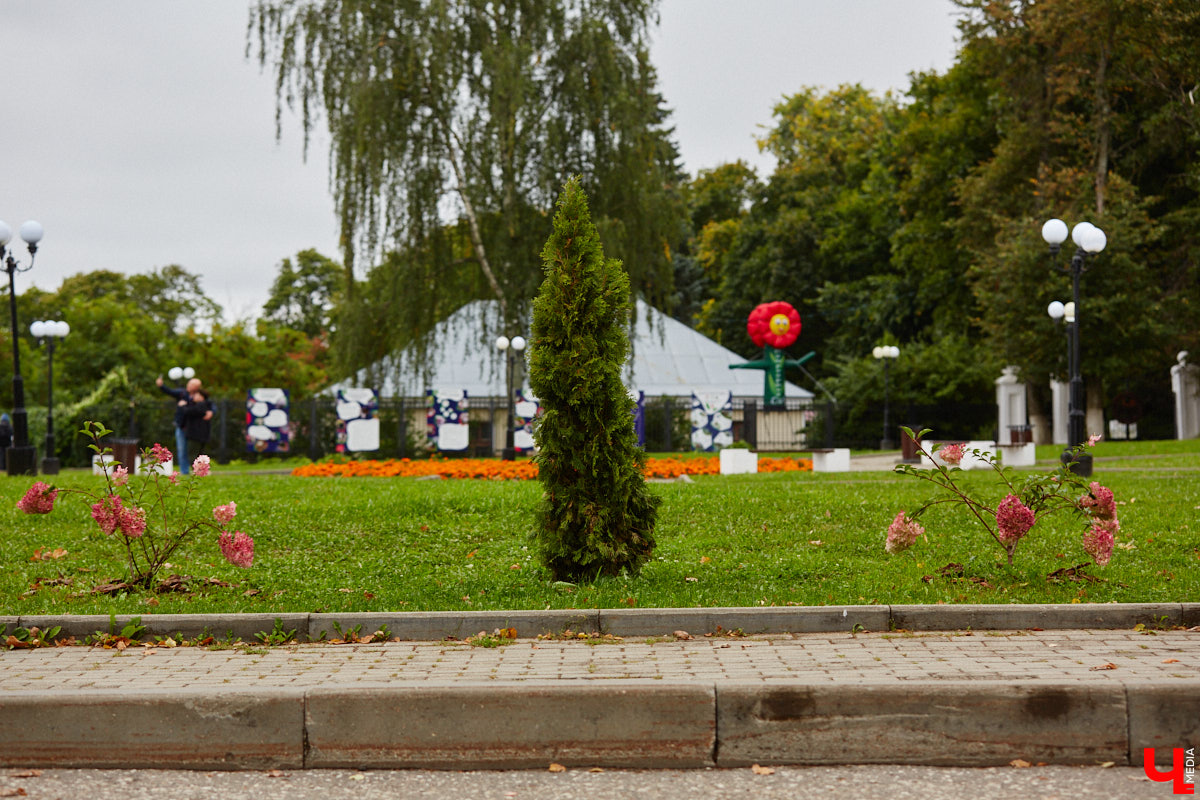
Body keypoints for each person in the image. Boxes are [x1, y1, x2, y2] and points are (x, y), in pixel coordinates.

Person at [156, 375, 212, 474]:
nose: (189, 386)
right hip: (181, 426)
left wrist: (211, 412)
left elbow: (210, 405)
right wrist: (161, 386)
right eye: (189, 384)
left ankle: (198, 470)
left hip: (193, 428)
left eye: (192, 385)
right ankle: (185, 471)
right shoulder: (182, 393)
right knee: (182, 450)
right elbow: (170, 391)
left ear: (197, 387)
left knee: (194, 451)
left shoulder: (200, 398)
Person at [181, 388, 214, 461]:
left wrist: (183, 406)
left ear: (201, 397)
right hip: (201, 435)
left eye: (196, 395)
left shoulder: (201, 405)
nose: (194, 397)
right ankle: (199, 470)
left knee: (194, 454)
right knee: (198, 454)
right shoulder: (207, 405)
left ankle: (197, 470)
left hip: (196, 435)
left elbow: (189, 411)